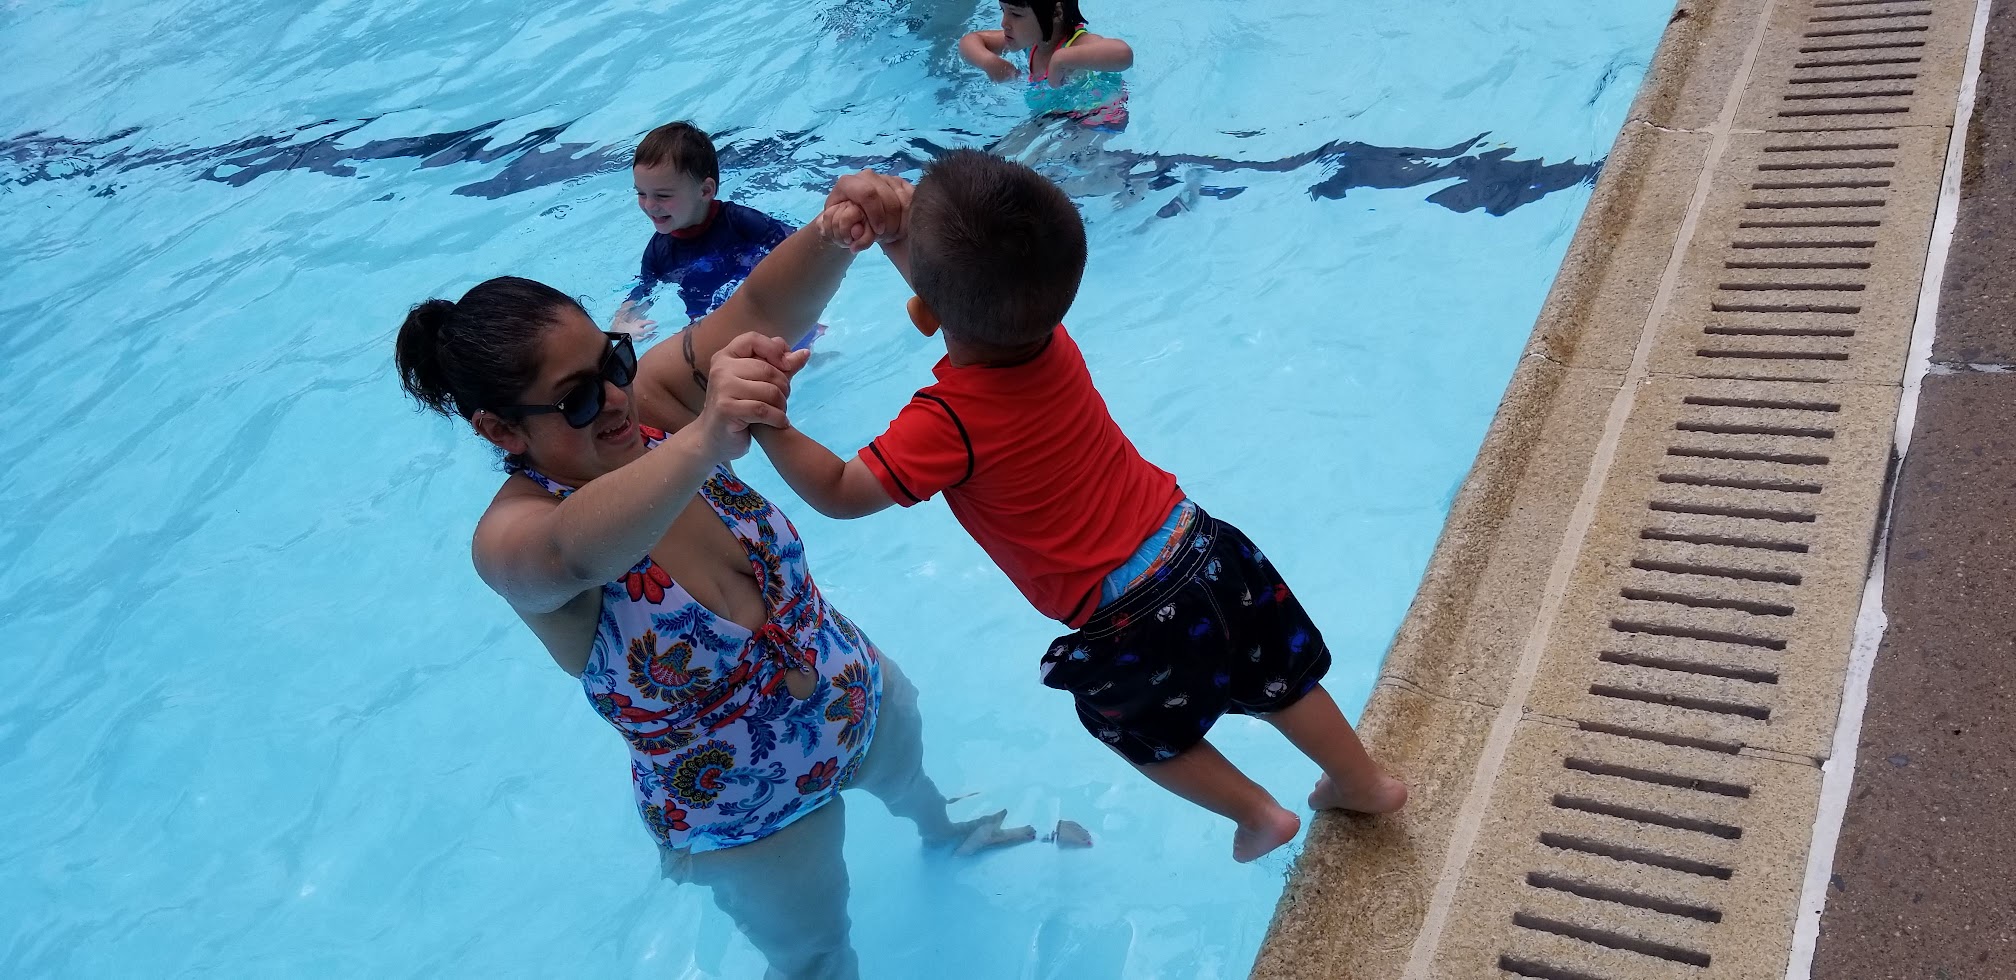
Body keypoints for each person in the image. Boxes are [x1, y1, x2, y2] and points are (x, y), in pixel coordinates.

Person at [394, 172, 1027, 980]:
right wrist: (702, 440)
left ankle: (946, 837)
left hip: (856, 698)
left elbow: (756, 309)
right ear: (499, 430)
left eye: (613, 361)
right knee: (817, 960)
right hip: (750, 818)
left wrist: (835, 231)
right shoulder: (513, 538)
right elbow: (574, 554)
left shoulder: (652, 407)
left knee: (918, 794)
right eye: (577, 398)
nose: (616, 399)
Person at [748, 153, 1409, 863]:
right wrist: (896, 234)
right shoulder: (1049, 338)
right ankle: (1363, 781)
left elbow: (840, 491)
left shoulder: (948, 423)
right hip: (1202, 544)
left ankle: (1258, 815)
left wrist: (765, 418)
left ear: (926, 312)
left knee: (1130, 723)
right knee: (1279, 678)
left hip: (1130, 615)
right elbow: (964, 296)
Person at [610, 121, 801, 342]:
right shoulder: (658, 252)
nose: (650, 205)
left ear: (705, 191)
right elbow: (642, 292)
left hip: (766, 313)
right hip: (708, 331)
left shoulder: (740, 222)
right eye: (641, 193)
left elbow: (797, 247)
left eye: (662, 195)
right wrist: (622, 323)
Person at [959, 0, 1132, 132]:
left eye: (1016, 14)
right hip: (1054, 120)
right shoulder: (1030, 41)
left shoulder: (1079, 45)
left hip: (1097, 122)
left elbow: (1123, 54)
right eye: (1002, 10)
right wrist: (990, 62)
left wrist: (1061, 59)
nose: (1004, 23)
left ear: (1057, 13)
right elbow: (970, 40)